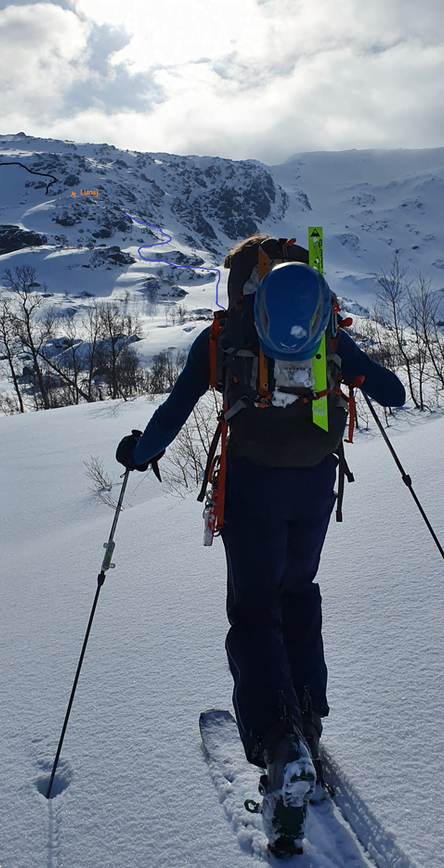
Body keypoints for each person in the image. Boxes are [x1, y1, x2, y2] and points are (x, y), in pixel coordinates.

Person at [115, 233, 406, 855]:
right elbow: (391, 391)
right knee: (298, 593)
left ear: (245, 282)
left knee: (253, 610)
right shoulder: (324, 328)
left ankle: (280, 750)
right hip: (315, 485)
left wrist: (137, 453)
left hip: (250, 490)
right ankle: (308, 719)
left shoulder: (225, 336)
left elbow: (174, 412)